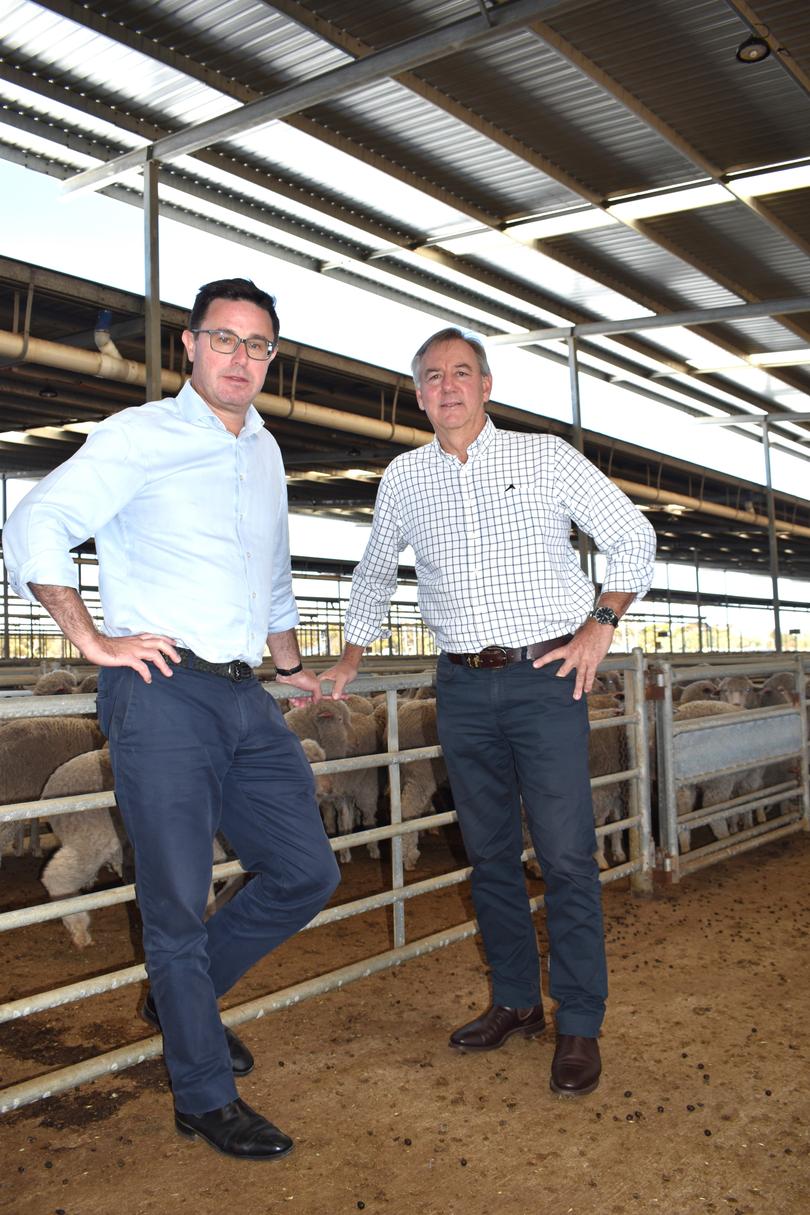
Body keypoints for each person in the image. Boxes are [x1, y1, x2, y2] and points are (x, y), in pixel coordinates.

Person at [3, 278, 340, 1159]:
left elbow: (268, 575)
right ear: (188, 346)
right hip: (160, 692)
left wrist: (292, 667)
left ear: (273, 356)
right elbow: (37, 520)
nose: (240, 357)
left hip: (243, 694)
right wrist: (92, 638)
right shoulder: (139, 436)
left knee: (306, 870)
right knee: (178, 902)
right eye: (223, 339)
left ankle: (177, 996)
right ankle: (202, 1092)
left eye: (257, 344)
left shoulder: (263, 451)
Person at [322, 327, 656, 1097]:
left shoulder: (542, 457)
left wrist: (600, 624)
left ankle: (578, 1019)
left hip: (544, 675)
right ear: (418, 394)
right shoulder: (404, 477)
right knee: (491, 851)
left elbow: (632, 535)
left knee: (567, 853)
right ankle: (515, 1000)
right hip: (462, 685)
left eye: (461, 373)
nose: (448, 387)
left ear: (487, 383)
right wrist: (350, 653)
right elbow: (374, 568)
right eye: (432, 376)